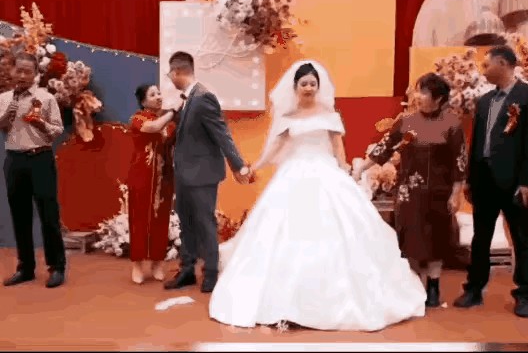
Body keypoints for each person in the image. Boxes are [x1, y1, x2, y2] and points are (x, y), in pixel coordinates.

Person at [208, 60, 426, 332]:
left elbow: (338, 147)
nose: (309, 88)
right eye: (304, 84)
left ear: (318, 86)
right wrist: (255, 166)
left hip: (325, 171)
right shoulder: (288, 118)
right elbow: (275, 148)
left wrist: (345, 169)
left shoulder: (330, 116)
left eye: (313, 83)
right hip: (293, 174)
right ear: (296, 87)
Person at [354, 72, 467, 308]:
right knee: (411, 240)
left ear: (438, 98)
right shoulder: (406, 121)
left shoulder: (452, 124)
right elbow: (383, 148)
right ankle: (413, 287)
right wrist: (361, 168)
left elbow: (459, 162)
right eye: (418, 90)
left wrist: (456, 193)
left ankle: (433, 288)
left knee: (436, 240)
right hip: (409, 194)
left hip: (439, 193)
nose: (418, 96)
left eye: (424, 92)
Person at [163, 51, 252, 293]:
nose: (170, 78)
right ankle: (187, 270)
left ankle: (211, 272)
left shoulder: (203, 97)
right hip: (184, 173)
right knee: (186, 223)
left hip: (202, 174)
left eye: (170, 73)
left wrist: (238, 165)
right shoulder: (187, 99)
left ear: (177, 72)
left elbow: (222, 133)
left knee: (205, 224)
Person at [453, 45, 528, 317]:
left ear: (504, 63)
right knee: (481, 238)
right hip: (484, 180)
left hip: (515, 182)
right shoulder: (485, 100)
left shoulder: (527, 96)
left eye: (487, 65)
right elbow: (476, 141)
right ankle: (474, 289)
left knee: (523, 239)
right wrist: (469, 179)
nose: (483, 70)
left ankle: (526, 294)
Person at [0, 52, 66, 288]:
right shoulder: (4, 98)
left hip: (40, 158)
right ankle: (25, 267)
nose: (22, 75)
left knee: (49, 214)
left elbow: (57, 130)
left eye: (28, 71)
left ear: (36, 74)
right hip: (14, 161)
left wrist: (41, 124)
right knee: (20, 215)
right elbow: (1, 126)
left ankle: (56, 267)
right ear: (12, 71)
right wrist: (8, 114)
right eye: (19, 70)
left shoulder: (46, 98)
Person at [127, 84, 181, 284]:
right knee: (139, 218)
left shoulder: (168, 122)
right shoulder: (138, 119)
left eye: (159, 93)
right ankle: (137, 265)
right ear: (143, 101)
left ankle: (157, 263)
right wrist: (173, 111)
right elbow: (152, 128)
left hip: (163, 177)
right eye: (152, 94)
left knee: (161, 218)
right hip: (142, 174)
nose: (158, 96)